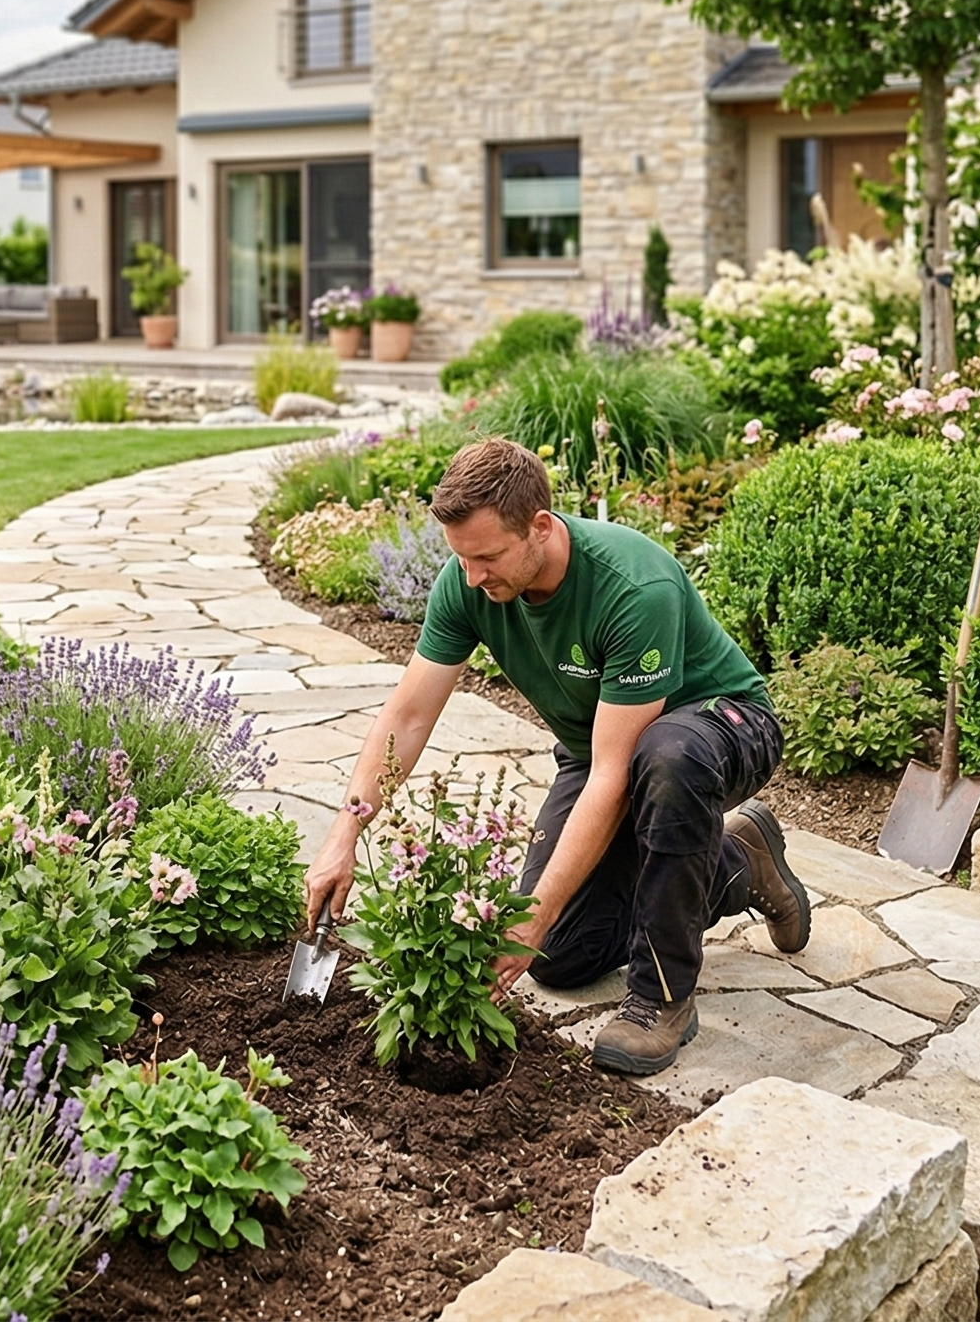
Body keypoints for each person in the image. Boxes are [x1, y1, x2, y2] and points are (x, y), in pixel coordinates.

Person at [300, 437, 812, 1075]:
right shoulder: (468, 583)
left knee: (667, 758)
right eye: (461, 558)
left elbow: (613, 775)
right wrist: (344, 833)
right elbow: (407, 717)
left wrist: (530, 922)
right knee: (562, 956)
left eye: (487, 557)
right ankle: (736, 864)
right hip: (603, 753)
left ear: (540, 526)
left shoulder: (632, 585)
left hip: (722, 727)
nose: (472, 577)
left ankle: (663, 999)